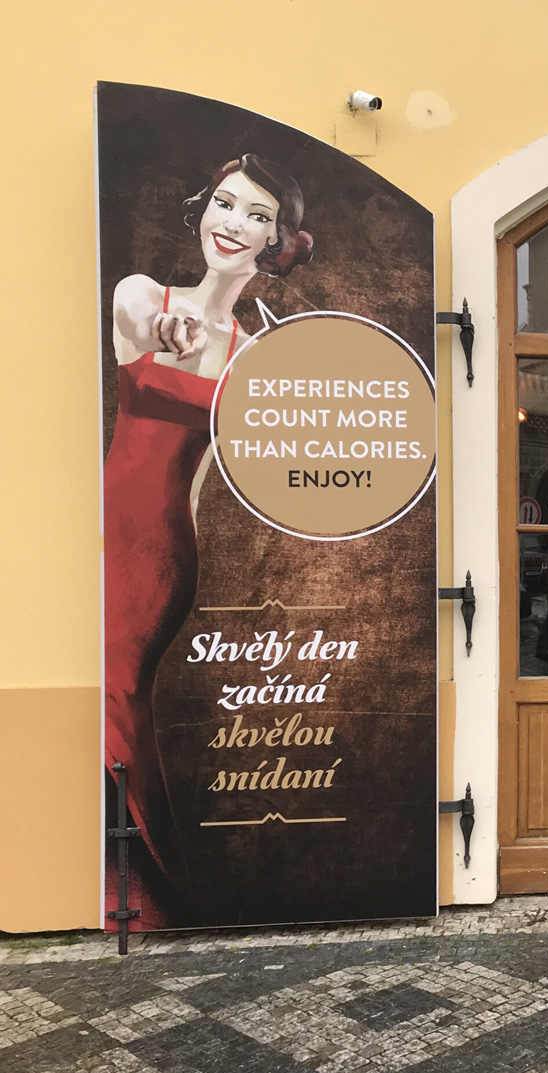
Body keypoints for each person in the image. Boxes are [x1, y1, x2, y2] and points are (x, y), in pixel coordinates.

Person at [104, 155, 313, 923]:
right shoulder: (142, 296)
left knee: (120, 696)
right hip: (105, 534)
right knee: (115, 707)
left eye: (257, 215)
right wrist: (165, 334)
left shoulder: (258, 353)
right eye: (224, 203)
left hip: (160, 555)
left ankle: (144, 897)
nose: (233, 223)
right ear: (202, 210)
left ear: (275, 241)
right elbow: (141, 330)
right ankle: (148, 894)